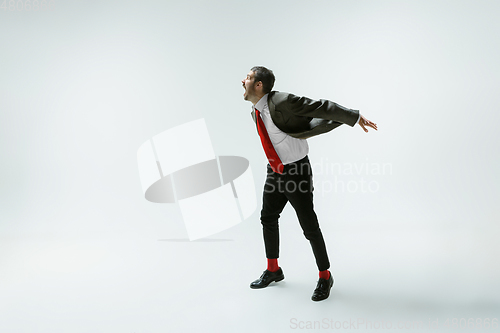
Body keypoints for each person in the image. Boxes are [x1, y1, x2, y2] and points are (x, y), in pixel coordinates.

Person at [242, 66, 377, 301]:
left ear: (259, 85)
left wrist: (354, 117)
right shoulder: (255, 112)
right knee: (268, 217)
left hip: (297, 172)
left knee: (309, 225)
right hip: (275, 171)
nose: (242, 81)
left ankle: (325, 276)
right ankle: (273, 270)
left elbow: (319, 107)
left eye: (247, 78)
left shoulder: (281, 101)